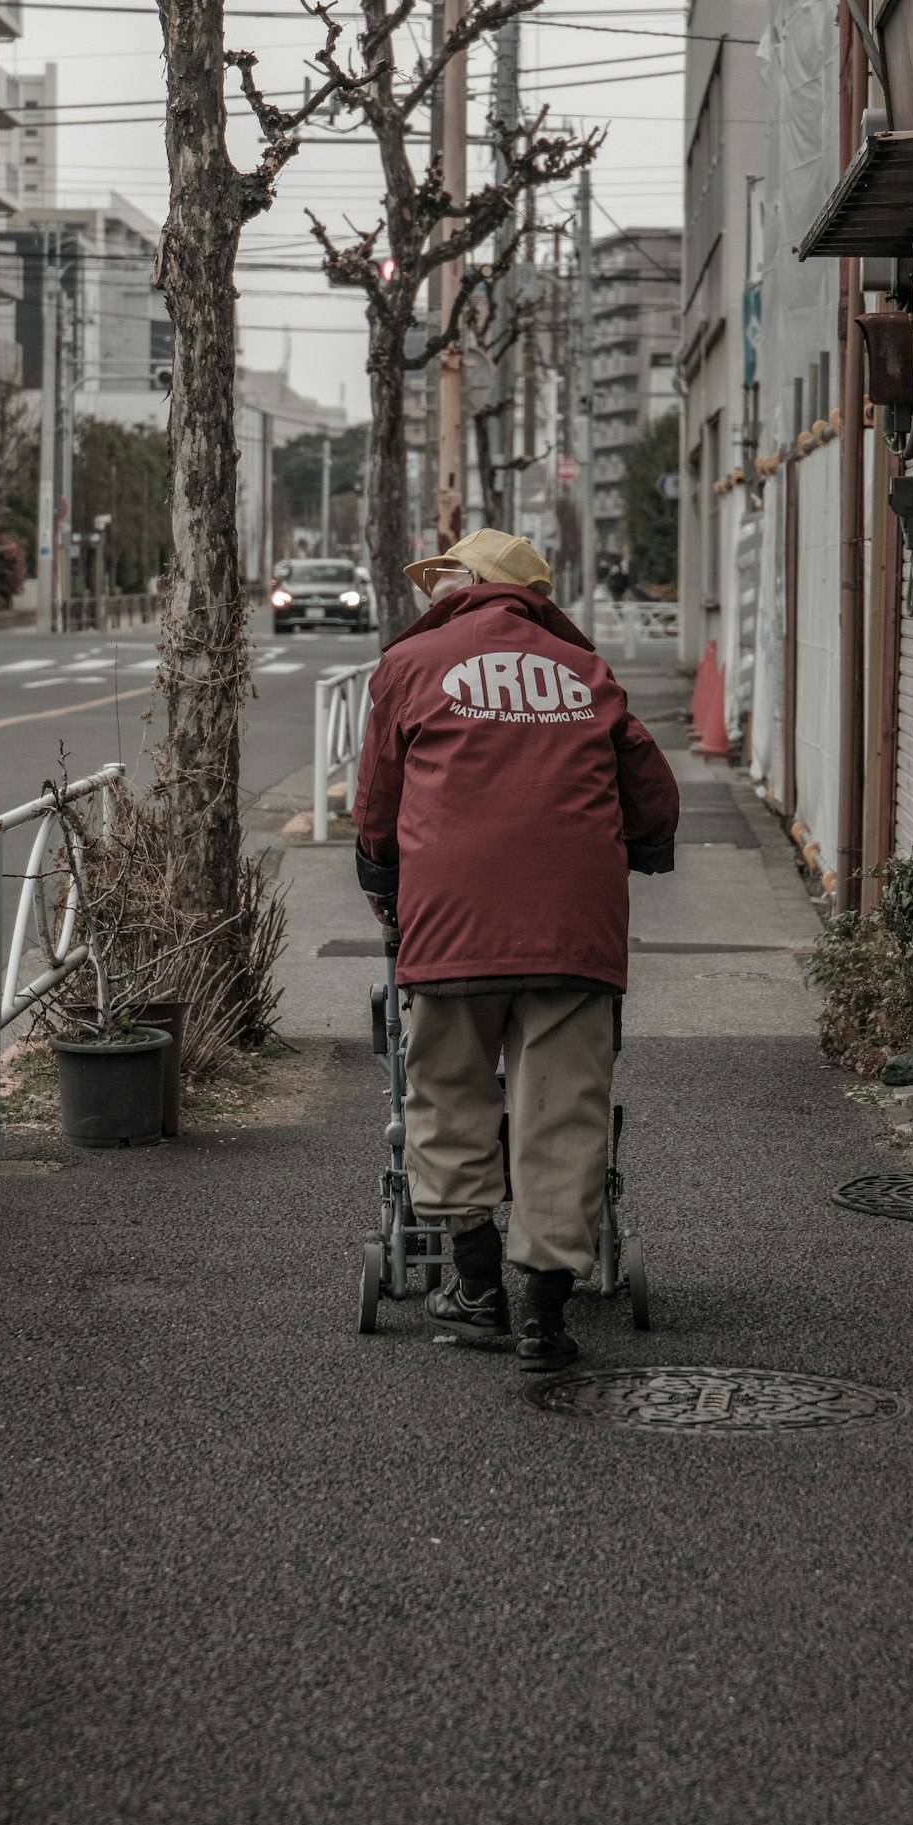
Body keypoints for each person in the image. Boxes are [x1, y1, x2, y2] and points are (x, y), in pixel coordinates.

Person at [351, 528, 679, 1372]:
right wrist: (640, 845)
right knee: (560, 1113)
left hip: (451, 924)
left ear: (467, 585)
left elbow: (377, 808)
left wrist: (384, 881)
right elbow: (651, 792)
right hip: (574, 929)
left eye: (445, 576)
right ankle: (544, 1316)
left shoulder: (410, 665)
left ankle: (475, 1289)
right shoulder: (585, 672)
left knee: (448, 1094)